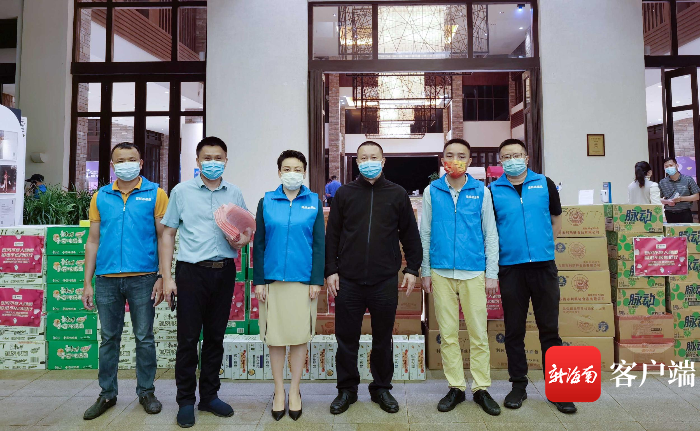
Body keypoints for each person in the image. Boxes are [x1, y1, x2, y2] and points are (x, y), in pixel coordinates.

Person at [160, 136, 252, 428]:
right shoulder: (181, 191)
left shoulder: (234, 192)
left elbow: (245, 231)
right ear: (198, 161)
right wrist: (167, 277)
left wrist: (241, 240)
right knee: (188, 339)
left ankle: (210, 396)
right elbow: (168, 234)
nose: (213, 163)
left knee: (215, 337)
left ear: (226, 161)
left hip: (224, 271)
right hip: (191, 272)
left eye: (218, 158)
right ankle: (185, 401)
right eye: (207, 158)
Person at [325, 141, 422, 415]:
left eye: (374, 157)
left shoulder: (397, 194)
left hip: (384, 280)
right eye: (363, 158)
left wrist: (412, 268)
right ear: (357, 162)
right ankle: (347, 389)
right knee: (346, 339)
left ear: (383, 161)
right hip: (349, 280)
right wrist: (330, 270)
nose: (369, 161)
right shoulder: (344, 194)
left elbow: (410, 234)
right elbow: (332, 235)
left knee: (382, 338)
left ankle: (381, 388)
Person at [81, 142, 168, 420]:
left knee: (144, 337)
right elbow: (93, 241)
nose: (126, 164)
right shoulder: (101, 196)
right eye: (120, 160)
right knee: (109, 338)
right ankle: (107, 393)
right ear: (112, 165)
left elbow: (164, 237)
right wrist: (87, 282)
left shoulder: (156, 194)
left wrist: (162, 276)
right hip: (106, 279)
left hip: (143, 278)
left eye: (131, 159)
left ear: (141, 163)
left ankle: (146, 392)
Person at [489, 139, 576, 414]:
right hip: (510, 269)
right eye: (506, 156)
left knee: (549, 329)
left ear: (526, 158)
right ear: (500, 161)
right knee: (514, 330)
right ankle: (518, 386)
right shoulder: (493, 190)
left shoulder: (544, 184)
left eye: (516, 155)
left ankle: (558, 389)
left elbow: (556, 219)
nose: (511, 160)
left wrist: (545, 246)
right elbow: (490, 229)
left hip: (543, 267)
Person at [420, 138, 501, 416]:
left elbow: (490, 233)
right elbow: (425, 232)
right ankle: (455, 386)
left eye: (461, 156)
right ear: (443, 160)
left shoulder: (481, 191)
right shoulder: (432, 191)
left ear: (469, 161)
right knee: (448, 334)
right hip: (441, 271)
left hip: (474, 271)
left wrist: (492, 273)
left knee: (478, 333)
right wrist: (426, 270)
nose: (455, 160)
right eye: (450, 155)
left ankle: (481, 387)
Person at [253, 150, 325, 422]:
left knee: (298, 336)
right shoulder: (266, 202)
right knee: (275, 338)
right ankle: (278, 391)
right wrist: (259, 281)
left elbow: (319, 244)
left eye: (297, 169)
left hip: (303, 281)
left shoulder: (314, 202)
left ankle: (294, 390)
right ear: (279, 172)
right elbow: (259, 243)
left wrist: (316, 280)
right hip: (272, 281)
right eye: (286, 168)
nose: (292, 173)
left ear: (304, 173)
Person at [659, 157, 700, 223]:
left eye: (671, 165)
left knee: (686, 229)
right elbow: (658, 199)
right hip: (669, 213)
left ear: (677, 166)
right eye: (666, 166)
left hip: (685, 213)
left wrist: (681, 199)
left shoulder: (688, 179)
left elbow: (696, 196)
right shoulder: (662, 182)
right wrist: (667, 202)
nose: (669, 168)